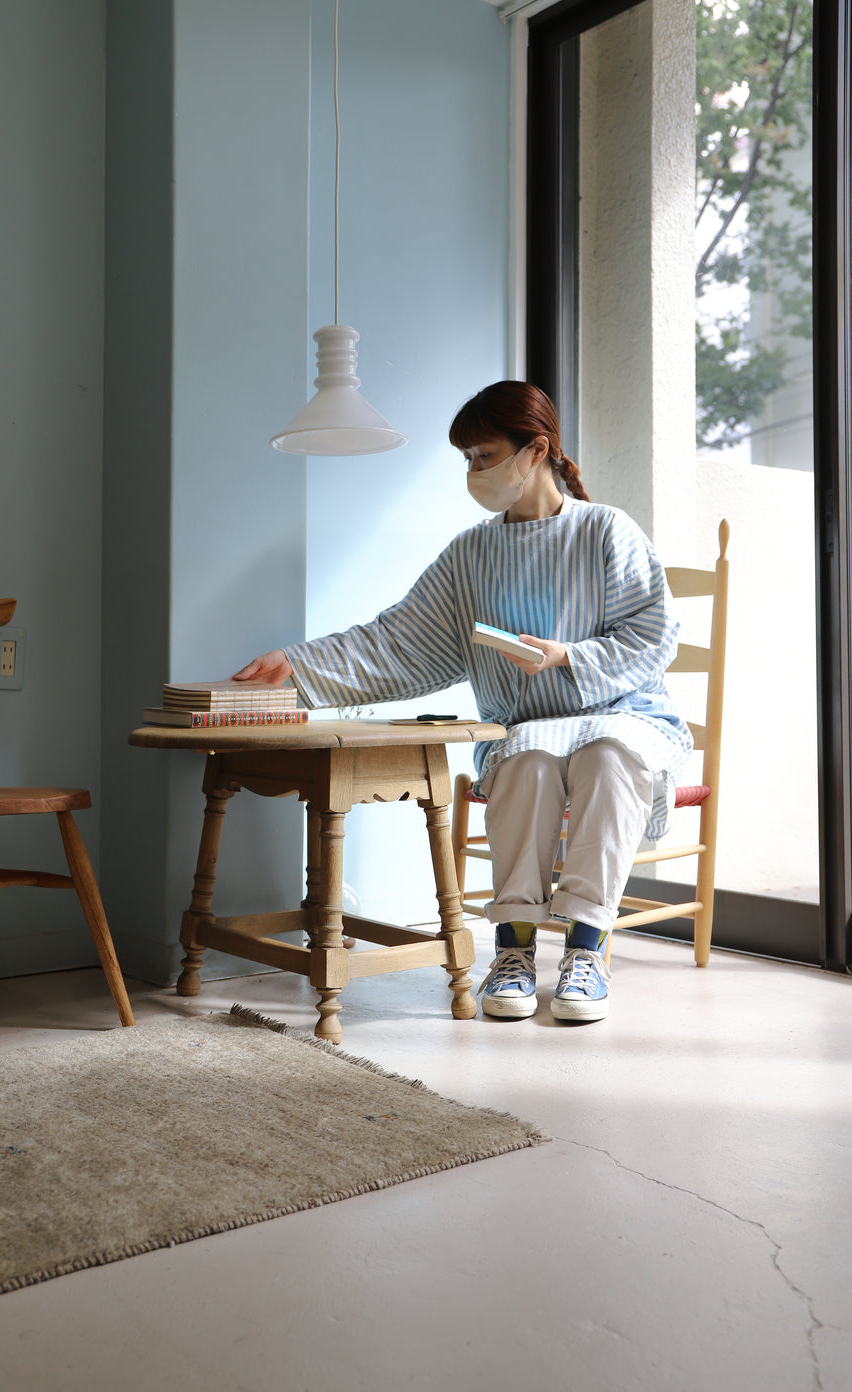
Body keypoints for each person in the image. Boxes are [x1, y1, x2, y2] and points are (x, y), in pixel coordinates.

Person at [234, 381, 692, 1024]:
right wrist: (301, 663)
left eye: (485, 457)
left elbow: (652, 634)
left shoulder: (607, 532)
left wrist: (566, 656)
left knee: (609, 755)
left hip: (623, 713)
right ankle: (514, 950)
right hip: (530, 725)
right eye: (468, 460)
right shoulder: (471, 553)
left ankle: (587, 951)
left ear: (537, 450)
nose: (474, 472)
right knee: (528, 760)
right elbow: (398, 639)